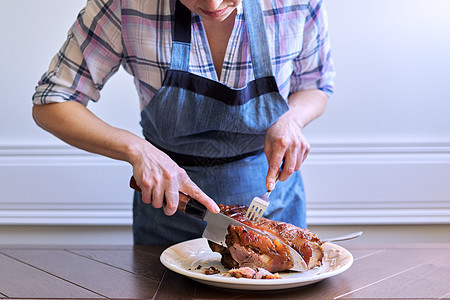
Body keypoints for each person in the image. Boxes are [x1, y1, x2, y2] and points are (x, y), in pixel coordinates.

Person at [32, 0, 334, 245]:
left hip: (272, 212)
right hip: (168, 212)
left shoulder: (299, 3)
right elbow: (52, 100)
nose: (213, 4)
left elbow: (315, 84)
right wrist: (138, 150)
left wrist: (291, 119)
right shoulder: (123, 5)